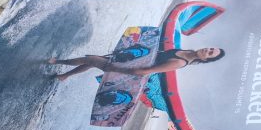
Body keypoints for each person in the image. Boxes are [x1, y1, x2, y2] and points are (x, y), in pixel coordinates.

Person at [50, 46, 225, 81]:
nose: (207, 50)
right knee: (93, 60)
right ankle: (64, 76)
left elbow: (146, 71)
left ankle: (58, 61)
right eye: (210, 48)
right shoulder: (185, 50)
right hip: (131, 58)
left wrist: (117, 69)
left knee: (92, 60)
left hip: (129, 68)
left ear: (205, 60)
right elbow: (156, 54)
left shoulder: (180, 62)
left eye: (210, 53)